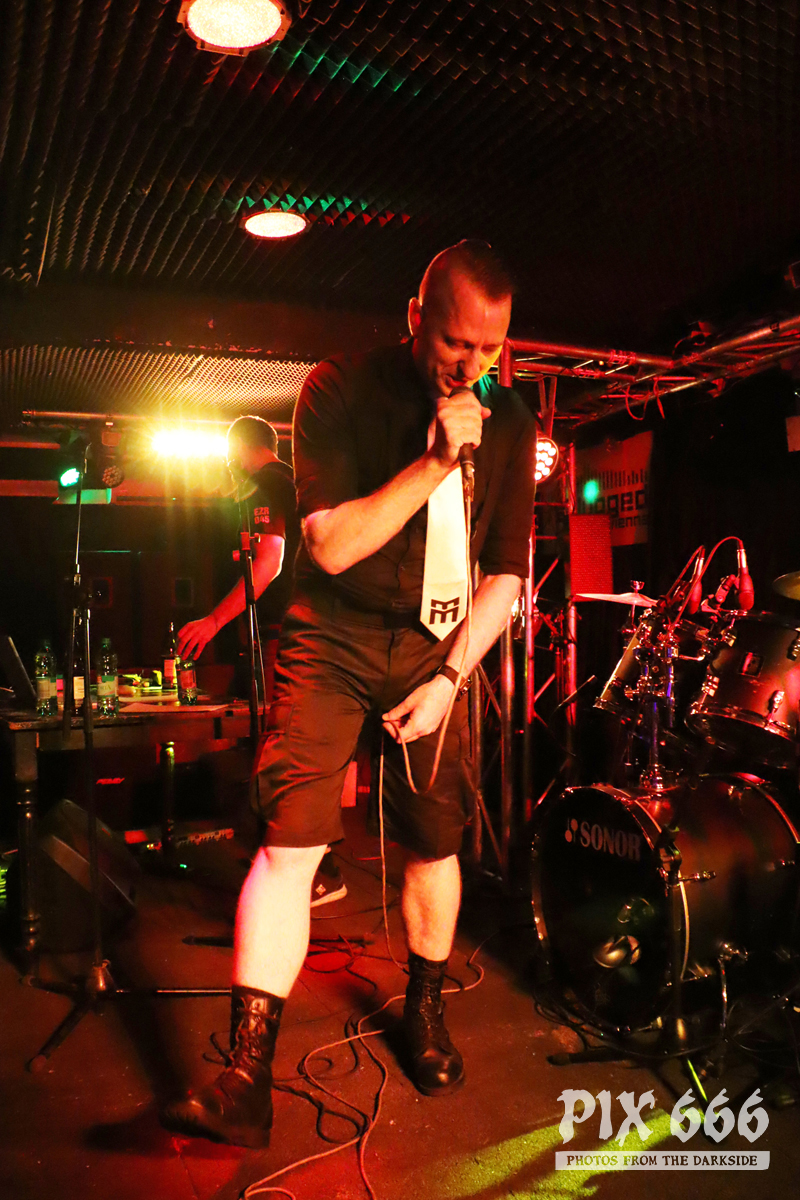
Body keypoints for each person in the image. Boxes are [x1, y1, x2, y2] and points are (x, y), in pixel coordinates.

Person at [163, 241, 537, 1148]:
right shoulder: (335, 390)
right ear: (415, 318)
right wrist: (436, 463)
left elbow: (505, 577)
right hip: (330, 636)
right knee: (290, 842)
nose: (471, 366)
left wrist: (449, 679)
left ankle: (425, 1011)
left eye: (489, 349)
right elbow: (328, 546)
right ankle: (247, 1076)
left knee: (433, 843)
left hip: (436, 643)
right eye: (454, 343)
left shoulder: (511, 419)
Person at [177, 416, 346, 906]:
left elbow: (268, 564)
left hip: (286, 632)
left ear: (237, 451)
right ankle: (289, 862)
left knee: (282, 747)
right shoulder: (298, 482)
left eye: (229, 456)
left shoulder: (266, 487)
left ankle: (317, 872)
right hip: (314, 627)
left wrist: (213, 621)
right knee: (294, 744)